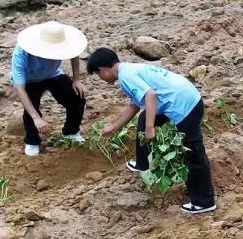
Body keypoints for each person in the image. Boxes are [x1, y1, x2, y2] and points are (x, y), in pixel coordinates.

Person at [86, 48, 217, 214]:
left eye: (98, 75)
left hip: (185, 106)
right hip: (182, 97)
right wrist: (114, 127)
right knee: (144, 118)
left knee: (192, 152)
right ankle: (143, 163)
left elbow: (150, 95)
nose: (101, 78)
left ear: (102, 70)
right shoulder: (128, 70)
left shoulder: (126, 76)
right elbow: (135, 105)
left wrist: (150, 129)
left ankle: (204, 201)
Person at [9, 20, 88, 157]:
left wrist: (76, 80)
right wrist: (36, 118)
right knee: (31, 108)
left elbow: (74, 54)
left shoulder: (65, 44)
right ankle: (32, 141)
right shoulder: (21, 53)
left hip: (53, 75)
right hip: (29, 80)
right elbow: (19, 88)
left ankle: (71, 132)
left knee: (77, 96)